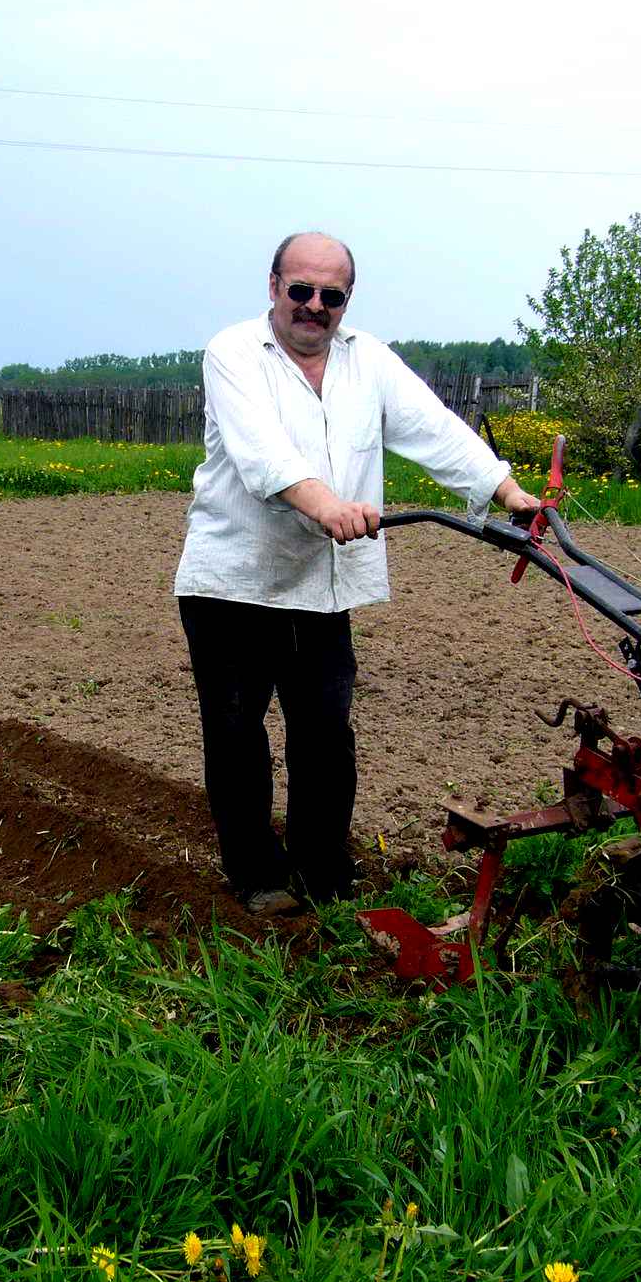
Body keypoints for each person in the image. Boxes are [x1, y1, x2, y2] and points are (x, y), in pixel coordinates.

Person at [173, 232, 540, 914]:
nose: (314, 307)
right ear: (274, 286)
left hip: (321, 586)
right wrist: (326, 506)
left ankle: (323, 872)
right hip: (232, 584)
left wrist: (506, 491)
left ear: (346, 300)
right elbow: (262, 456)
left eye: (331, 296)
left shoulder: (365, 359)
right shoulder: (233, 353)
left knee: (325, 736)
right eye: (301, 291)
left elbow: (433, 428)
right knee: (236, 736)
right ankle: (256, 874)